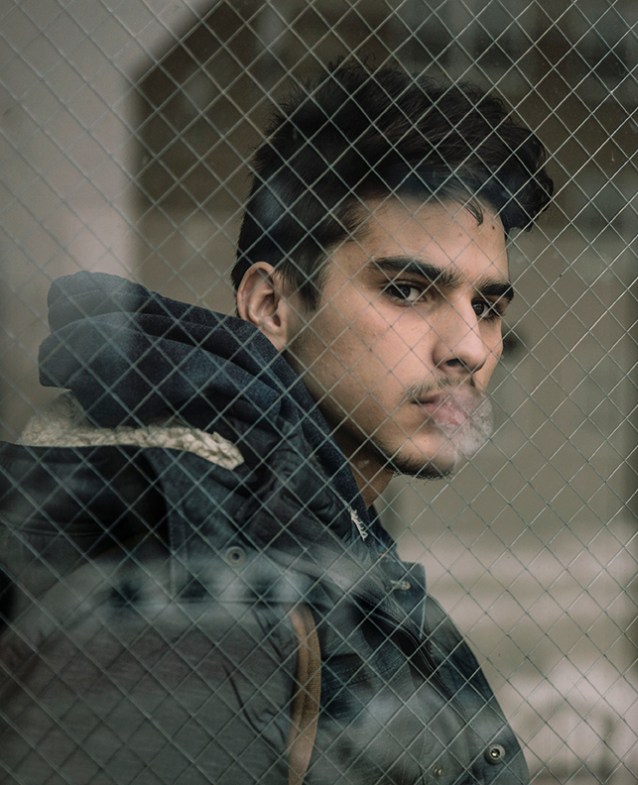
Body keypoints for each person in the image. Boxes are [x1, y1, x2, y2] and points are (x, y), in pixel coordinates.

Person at [0, 59, 553, 785]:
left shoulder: (306, 528)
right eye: (408, 290)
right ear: (271, 306)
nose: (471, 348)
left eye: (487, 306)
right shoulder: (195, 545)